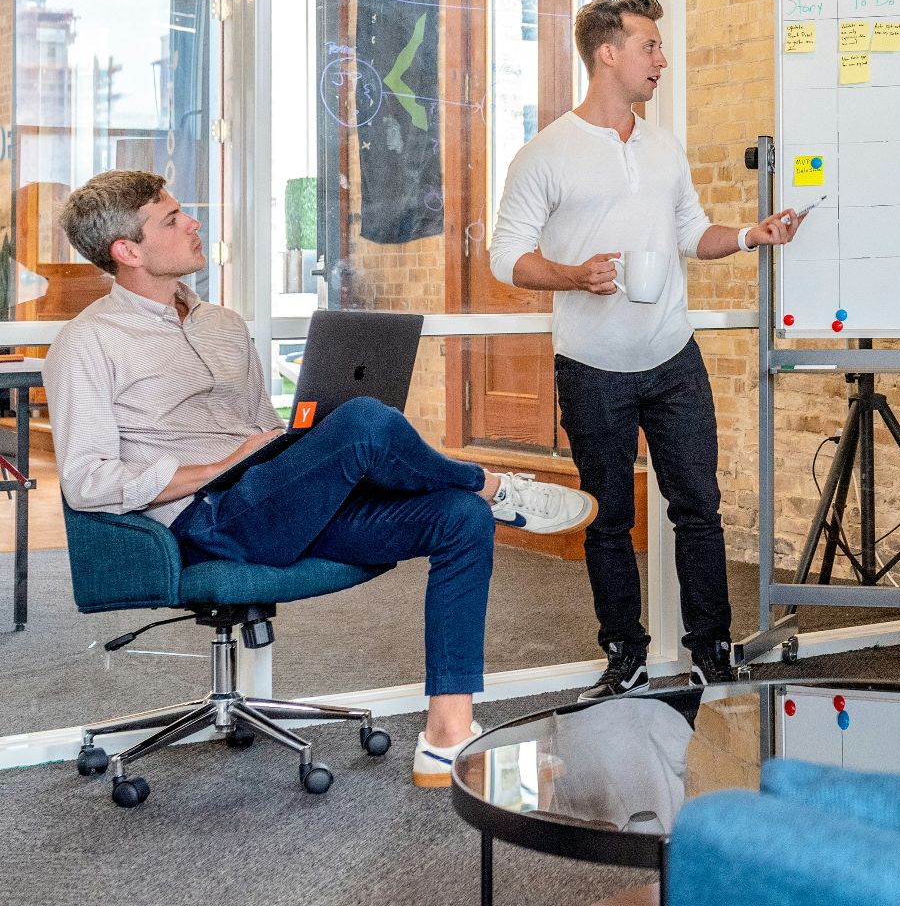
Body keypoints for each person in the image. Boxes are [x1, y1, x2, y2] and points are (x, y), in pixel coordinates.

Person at [46, 170, 597, 788]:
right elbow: (88, 481)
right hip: (208, 519)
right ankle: (491, 486)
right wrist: (219, 466)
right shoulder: (87, 343)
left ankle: (447, 736)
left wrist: (298, 445)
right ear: (127, 250)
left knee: (457, 517)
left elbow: (261, 427)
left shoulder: (221, 324)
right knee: (364, 422)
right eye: (172, 219)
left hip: (273, 498)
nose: (193, 222)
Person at [490, 0, 808, 698]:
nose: (661, 59)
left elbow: (693, 233)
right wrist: (574, 274)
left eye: (659, 46)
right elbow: (505, 257)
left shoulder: (663, 147)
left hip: (673, 357)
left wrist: (750, 234)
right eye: (649, 46)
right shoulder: (546, 153)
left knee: (698, 507)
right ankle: (624, 654)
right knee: (608, 516)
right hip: (592, 367)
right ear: (608, 53)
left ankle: (711, 649)